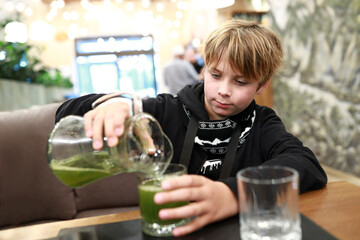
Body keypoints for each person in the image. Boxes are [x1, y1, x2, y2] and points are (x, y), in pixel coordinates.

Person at [55, 19, 327, 237]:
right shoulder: (167, 110)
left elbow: (307, 166)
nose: (223, 91)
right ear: (204, 69)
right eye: (216, 75)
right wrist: (118, 103)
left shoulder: (263, 122)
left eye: (241, 82)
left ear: (262, 85)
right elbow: (64, 113)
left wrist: (231, 194)